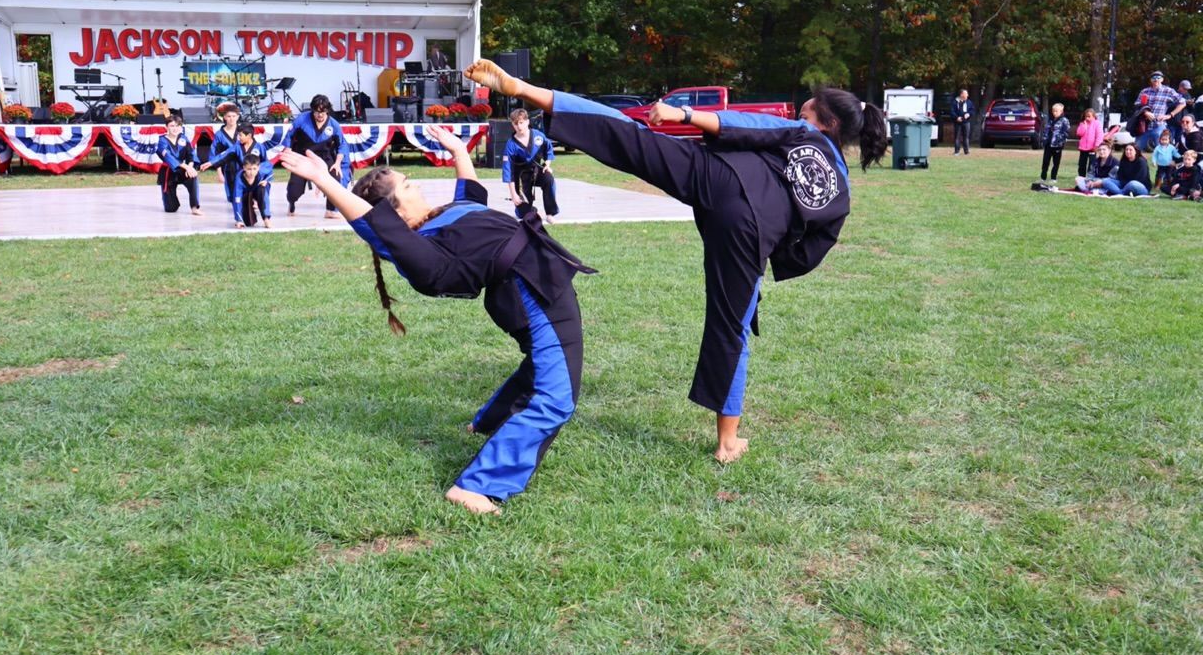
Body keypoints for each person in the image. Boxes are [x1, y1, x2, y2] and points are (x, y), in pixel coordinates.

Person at [463, 57, 886, 464]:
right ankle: (728, 441)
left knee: (632, 138)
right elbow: (811, 248)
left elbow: (743, 124)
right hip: (751, 233)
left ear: (825, 123)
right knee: (731, 325)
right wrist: (769, 252)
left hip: (717, 178)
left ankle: (527, 91)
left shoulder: (801, 132)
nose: (800, 113)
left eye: (806, 111)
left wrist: (683, 117)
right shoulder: (842, 191)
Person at [276, 124, 594, 515]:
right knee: (557, 399)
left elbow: (471, 193)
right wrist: (326, 182)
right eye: (408, 185)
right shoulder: (422, 247)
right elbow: (375, 226)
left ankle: (487, 423)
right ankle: (477, 486)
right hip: (532, 291)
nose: (418, 185)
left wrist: (460, 152)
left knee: (543, 366)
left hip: (537, 281)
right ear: (395, 210)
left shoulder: (442, 217)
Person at [281, 94, 347, 218]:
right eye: (317, 112)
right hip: (303, 156)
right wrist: (288, 150)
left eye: (323, 112)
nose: (320, 115)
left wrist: (337, 163)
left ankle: (330, 210)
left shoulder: (334, 125)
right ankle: (292, 202)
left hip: (324, 157)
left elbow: (342, 145)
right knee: (295, 189)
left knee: (336, 176)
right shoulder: (301, 119)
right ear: (312, 110)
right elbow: (289, 136)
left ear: (327, 110)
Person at [502, 108, 559, 223]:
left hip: (537, 171)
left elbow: (548, 150)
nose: (519, 126)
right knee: (524, 214)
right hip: (521, 178)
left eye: (521, 122)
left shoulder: (538, 136)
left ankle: (550, 213)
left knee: (549, 179)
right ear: (513, 125)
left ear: (527, 122)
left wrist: (547, 165)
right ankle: (530, 210)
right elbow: (508, 171)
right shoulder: (511, 145)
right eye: (516, 124)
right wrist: (513, 194)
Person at [155, 116, 202, 215]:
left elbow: (191, 153)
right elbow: (169, 157)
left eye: (177, 126)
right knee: (171, 209)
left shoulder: (183, 138)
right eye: (172, 126)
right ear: (166, 127)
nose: (175, 128)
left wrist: (190, 166)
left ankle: (194, 207)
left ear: (181, 127)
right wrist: (187, 167)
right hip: (169, 172)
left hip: (183, 170)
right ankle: (169, 200)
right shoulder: (162, 141)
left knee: (193, 177)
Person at [1134, 71, 1185, 151]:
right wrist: (1145, 112)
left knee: (1163, 151)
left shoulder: (1168, 91)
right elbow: (1137, 104)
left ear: (1162, 79)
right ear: (1151, 80)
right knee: (1135, 149)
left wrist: (1170, 115)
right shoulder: (1145, 91)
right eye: (1153, 78)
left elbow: (1183, 102)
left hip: (1159, 125)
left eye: (1158, 78)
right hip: (1144, 126)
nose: (1156, 80)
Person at [208, 103, 242, 207]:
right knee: (232, 199)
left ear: (238, 117)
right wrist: (219, 173)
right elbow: (215, 154)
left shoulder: (243, 130)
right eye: (228, 116)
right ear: (224, 118)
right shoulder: (219, 134)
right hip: (228, 167)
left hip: (244, 164)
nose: (231, 119)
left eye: (234, 116)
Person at [233, 151, 273, 228]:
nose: (252, 172)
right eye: (249, 169)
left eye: (254, 169)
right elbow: (237, 200)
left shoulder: (262, 170)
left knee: (262, 189)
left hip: (258, 191)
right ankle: (246, 214)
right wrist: (239, 220)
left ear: (258, 167)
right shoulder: (239, 180)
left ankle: (266, 218)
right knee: (249, 223)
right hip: (246, 195)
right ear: (244, 168)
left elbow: (270, 167)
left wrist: (267, 180)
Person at [1039, 103, 1069, 183]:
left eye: (1056, 111)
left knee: (1056, 163)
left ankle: (1053, 178)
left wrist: (1060, 141)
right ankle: (1043, 177)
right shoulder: (1050, 120)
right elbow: (1046, 131)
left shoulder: (1064, 121)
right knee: (1045, 161)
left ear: (1061, 111)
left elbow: (1066, 133)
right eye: (1053, 111)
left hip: (1057, 145)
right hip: (1048, 145)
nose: (1054, 112)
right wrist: (1044, 140)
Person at [1150, 128, 1182, 193]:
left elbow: (1175, 154)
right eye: (1162, 140)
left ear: (1169, 140)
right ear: (1160, 140)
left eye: (1166, 140)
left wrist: (1181, 157)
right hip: (1161, 165)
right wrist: (1154, 161)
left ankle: (1170, 185)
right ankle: (1157, 185)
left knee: (1169, 176)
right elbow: (1154, 155)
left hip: (1169, 165)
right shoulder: (1157, 147)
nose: (1164, 141)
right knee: (1159, 175)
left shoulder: (1171, 147)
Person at [1075, 107, 1102, 179]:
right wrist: (1084, 126)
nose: (1087, 118)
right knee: (1081, 164)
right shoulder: (1082, 123)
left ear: (1093, 116)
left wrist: (1096, 145)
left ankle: (1090, 178)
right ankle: (1081, 177)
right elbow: (1079, 133)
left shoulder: (1097, 124)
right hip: (1083, 148)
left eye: (1089, 116)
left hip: (1092, 148)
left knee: (1092, 165)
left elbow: (1099, 135)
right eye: (1086, 116)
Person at [950, 89, 974, 155]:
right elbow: (952, 111)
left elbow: (972, 110)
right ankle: (956, 151)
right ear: (961, 94)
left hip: (966, 122)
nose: (967, 95)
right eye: (966, 94)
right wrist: (957, 117)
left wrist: (968, 114)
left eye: (967, 94)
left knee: (966, 137)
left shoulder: (969, 102)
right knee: (957, 137)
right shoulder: (955, 102)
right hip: (958, 122)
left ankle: (966, 151)